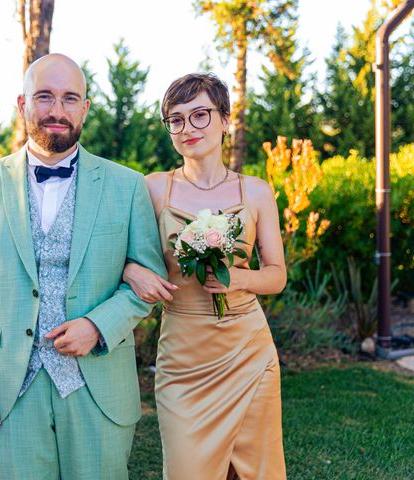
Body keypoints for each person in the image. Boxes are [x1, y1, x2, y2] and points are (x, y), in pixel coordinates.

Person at [0, 53, 166, 480]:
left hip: (97, 385)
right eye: (44, 97)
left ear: (84, 108)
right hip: (9, 388)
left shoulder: (127, 185)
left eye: (70, 98)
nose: (56, 111)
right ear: (22, 103)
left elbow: (148, 282)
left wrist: (98, 325)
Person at [123, 73, 287, 480]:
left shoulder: (257, 192)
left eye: (199, 115)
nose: (187, 128)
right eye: (176, 120)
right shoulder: (154, 188)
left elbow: (277, 275)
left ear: (225, 120)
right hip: (184, 355)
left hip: (249, 350)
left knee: (258, 470)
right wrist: (133, 272)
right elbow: (117, 256)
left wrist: (239, 278)